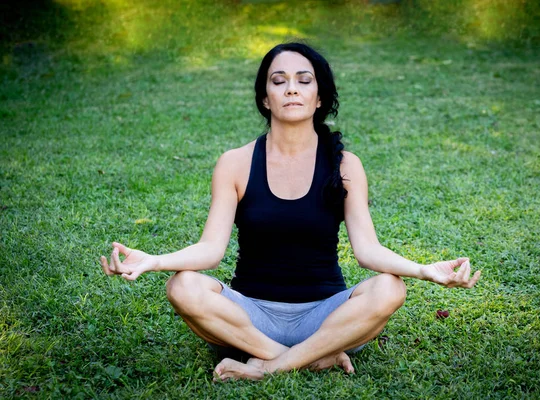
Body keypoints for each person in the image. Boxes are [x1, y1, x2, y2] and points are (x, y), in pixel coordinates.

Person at [100, 42, 481, 381]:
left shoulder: (346, 165)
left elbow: (368, 252)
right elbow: (211, 250)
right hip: (249, 318)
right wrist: (154, 260)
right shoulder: (235, 163)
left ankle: (267, 366)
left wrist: (422, 270)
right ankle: (307, 359)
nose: (292, 88)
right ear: (265, 98)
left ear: (319, 97)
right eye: (278, 81)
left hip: (326, 317)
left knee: (389, 288)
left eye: (304, 80)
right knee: (182, 285)